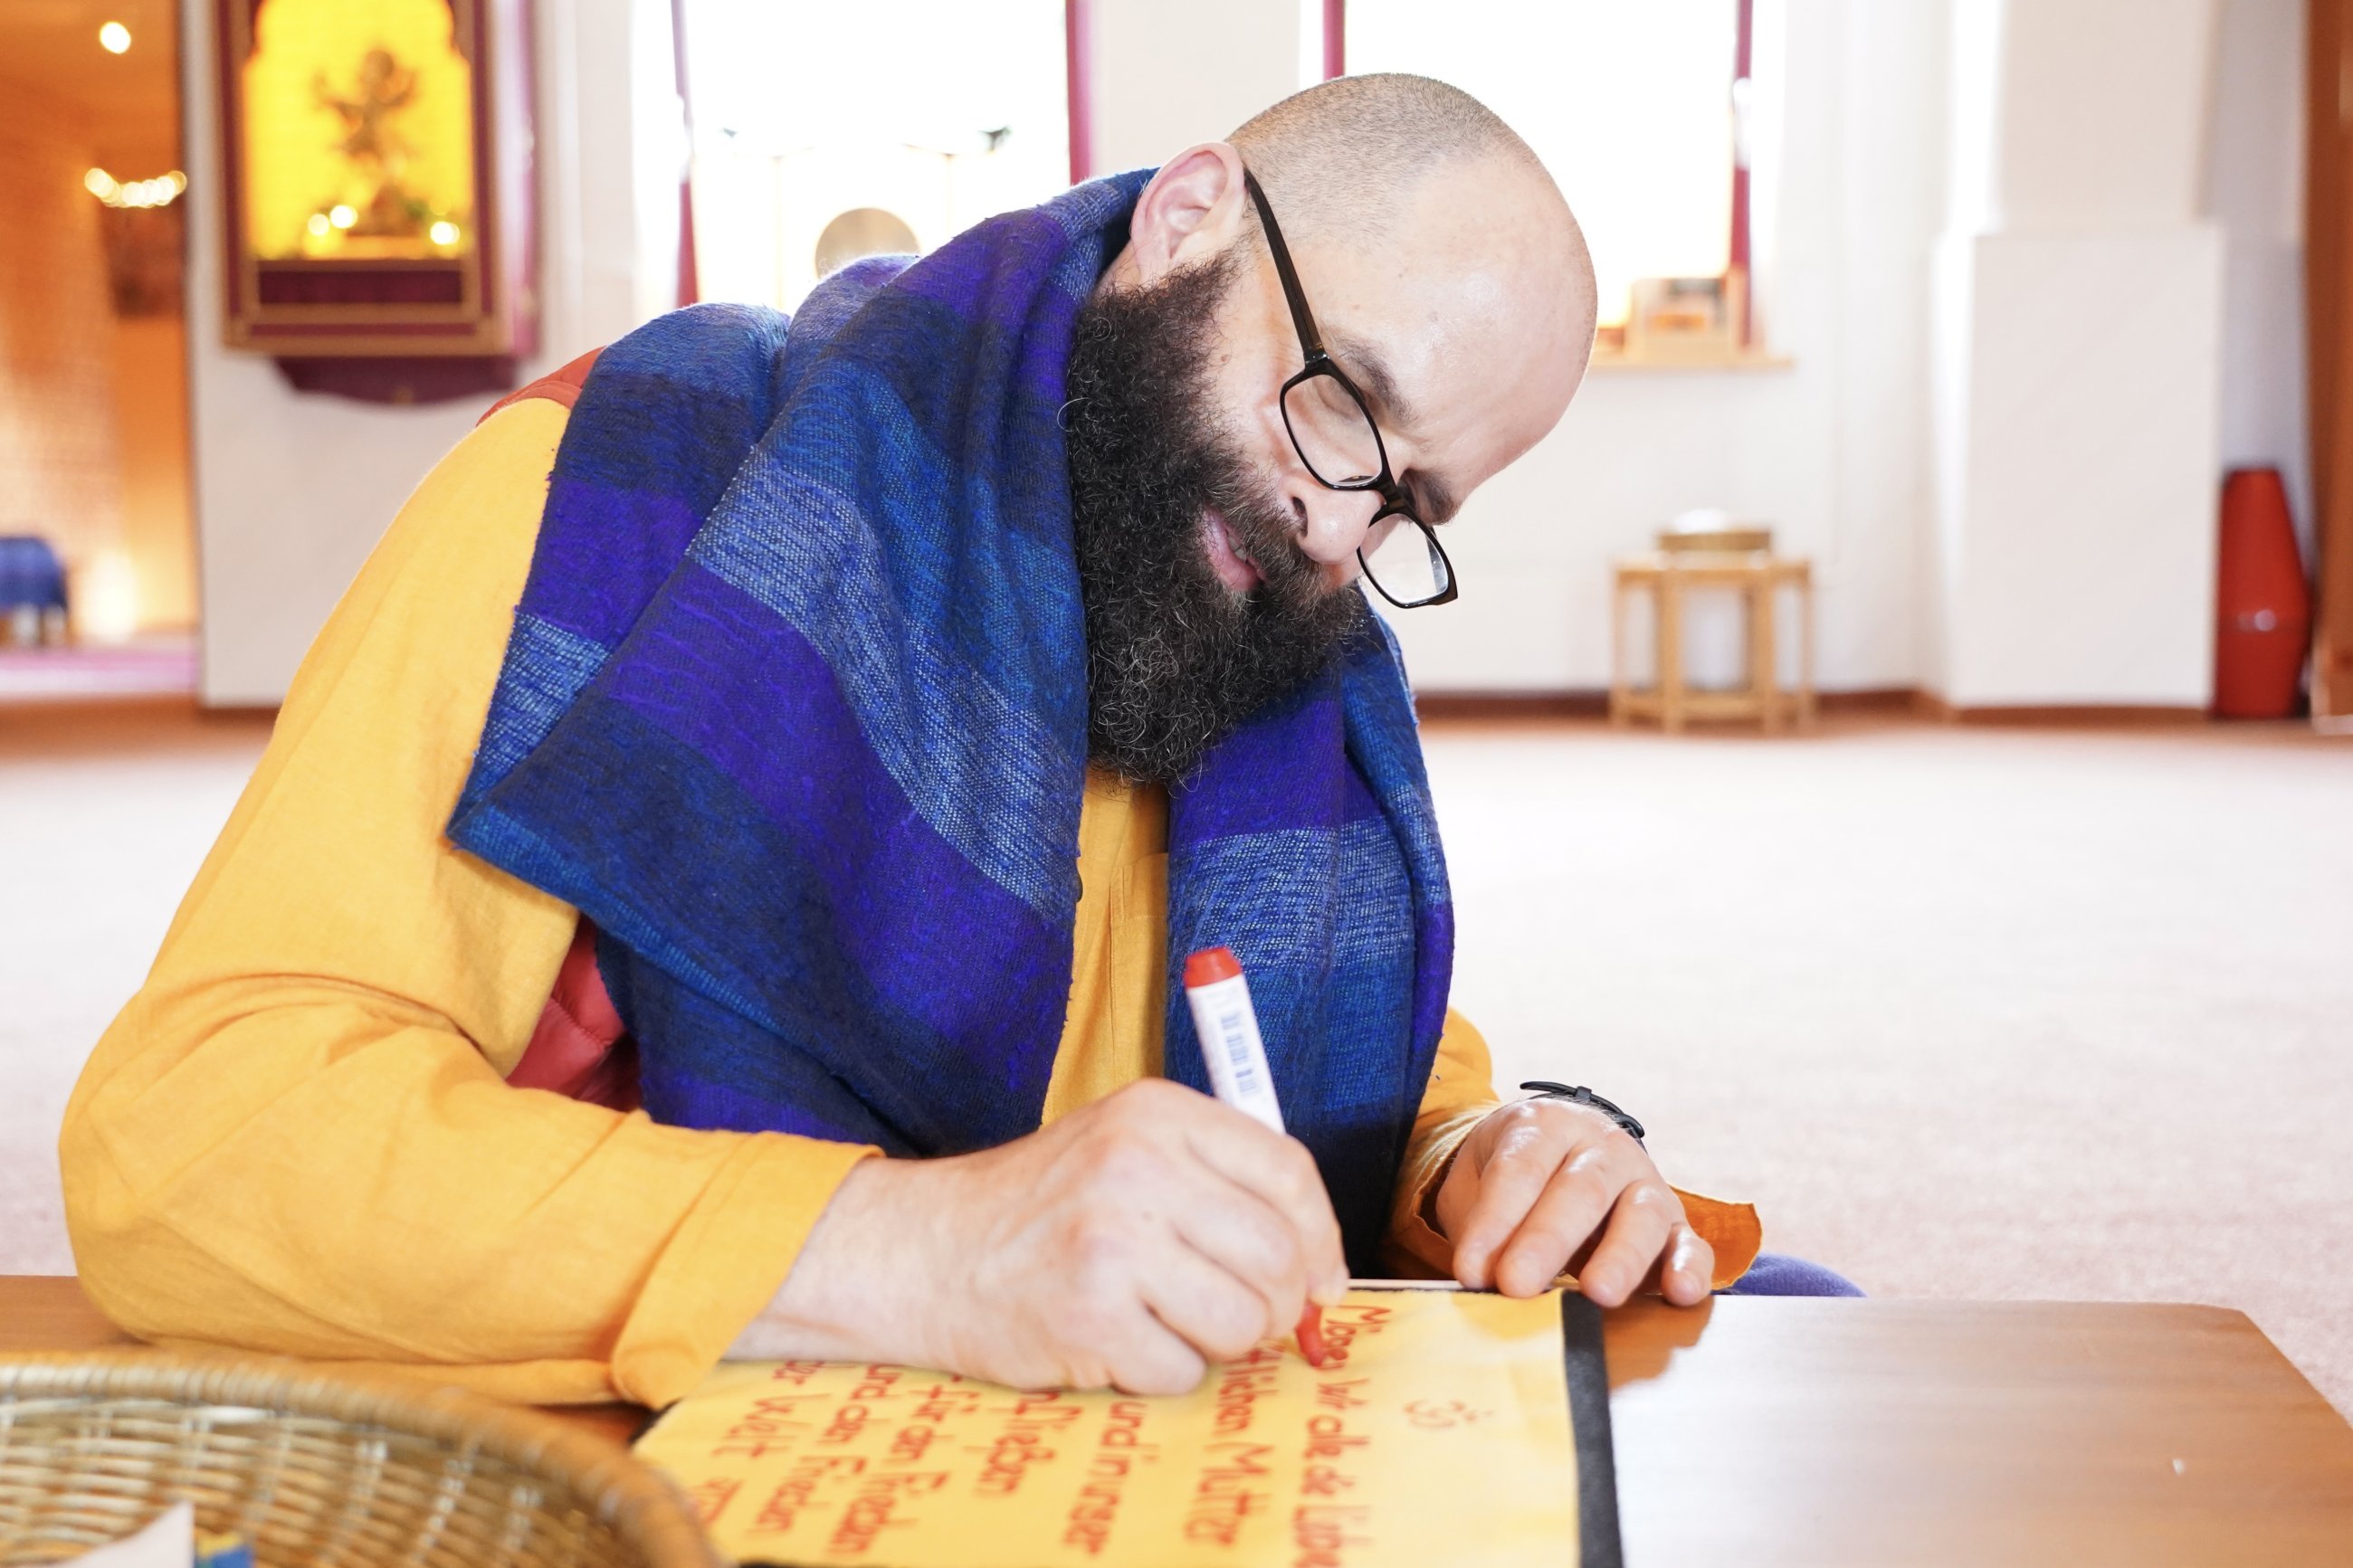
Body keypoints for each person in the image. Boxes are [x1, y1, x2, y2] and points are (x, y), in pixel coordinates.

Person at [62, 75, 1843, 1410]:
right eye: (1338, 401)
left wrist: (1483, 1160)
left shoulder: (1267, 606)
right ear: (1189, 219)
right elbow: (191, 1150)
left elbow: (1303, 1060)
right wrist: (911, 1250)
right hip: (670, 1456)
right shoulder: (615, 497)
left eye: (1408, 504)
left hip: (1114, 1452)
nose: (1333, 522)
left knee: (1787, 1327)